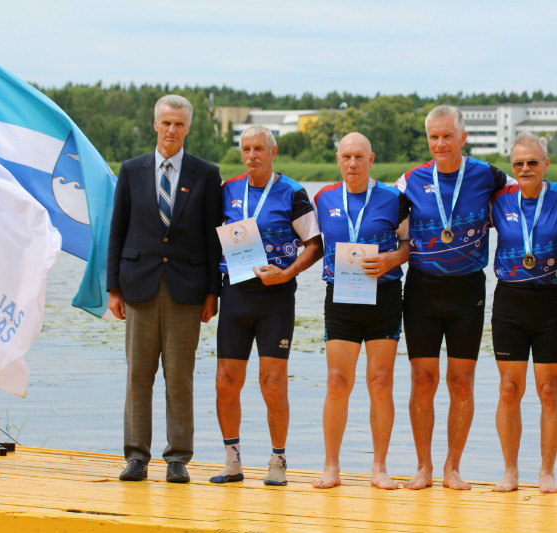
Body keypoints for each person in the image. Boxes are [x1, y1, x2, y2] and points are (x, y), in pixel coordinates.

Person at [107, 94, 222, 483]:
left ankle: (178, 457)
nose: (172, 130)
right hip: (138, 286)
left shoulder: (206, 174)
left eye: (179, 124)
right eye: (166, 123)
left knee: (180, 377)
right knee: (138, 377)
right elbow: (118, 230)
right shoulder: (131, 170)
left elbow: (213, 238)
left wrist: (213, 292)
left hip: (187, 290)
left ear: (188, 127)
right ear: (155, 124)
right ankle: (136, 456)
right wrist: (113, 288)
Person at [397, 105, 511, 490]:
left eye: (448, 136)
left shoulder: (489, 175)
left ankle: (452, 468)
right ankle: (423, 467)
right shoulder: (409, 179)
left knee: (461, 382)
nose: (441, 143)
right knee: (422, 380)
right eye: (434, 137)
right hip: (422, 290)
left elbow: (532, 195)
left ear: (463, 137)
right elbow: (378, 215)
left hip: (467, 291)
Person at [212, 125, 322, 486]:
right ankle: (232, 461)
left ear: (273, 152)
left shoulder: (292, 192)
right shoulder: (228, 189)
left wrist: (287, 273)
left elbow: (315, 245)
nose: (252, 155)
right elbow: (211, 240)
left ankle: (278, 460)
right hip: (235, 294)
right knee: (226, 381)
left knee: (272, 383)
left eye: (259, 148)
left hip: (276, 298)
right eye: (246, 149)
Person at [312, 132, 410, 490]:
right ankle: (331, 467)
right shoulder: (323, 198)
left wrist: (392, 260)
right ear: (338, 159)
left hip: (383, 295)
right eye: (346, 157)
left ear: (371, 160)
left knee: (380, 382)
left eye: (359, 157)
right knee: (337, 381)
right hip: (341, 296)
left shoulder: (394, 198)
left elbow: (408, 244)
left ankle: (379, 467)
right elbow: (308, 242)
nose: (352, 163)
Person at [488, 132, 557, 493]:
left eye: (532, 162)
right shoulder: (498, 199)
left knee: (549, 390)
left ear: (546, 164)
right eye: (519, 163)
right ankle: (510, 471)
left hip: (551, 303)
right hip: (509, 301)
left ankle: (546, 472)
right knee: (509, 389)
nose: (525, 168)